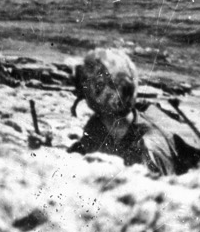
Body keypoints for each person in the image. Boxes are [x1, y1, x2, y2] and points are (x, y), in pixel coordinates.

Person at [68, 48, 178, 177]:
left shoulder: (146, 147)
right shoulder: (98, 125)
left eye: (97, 84)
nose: (85, 88)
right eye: (85, 80)